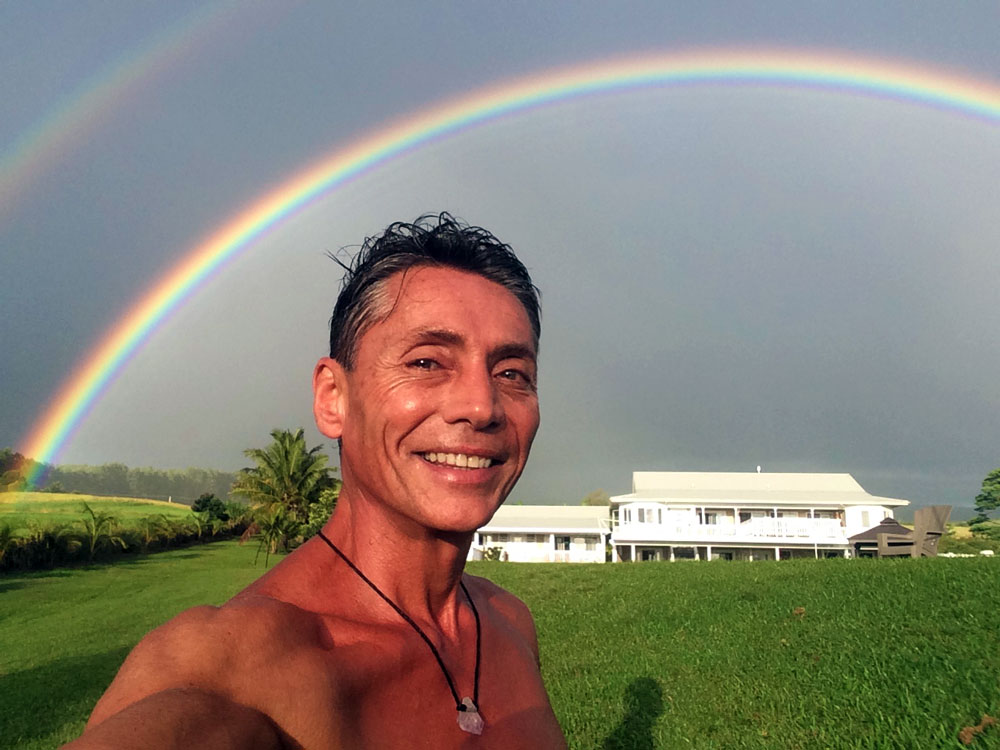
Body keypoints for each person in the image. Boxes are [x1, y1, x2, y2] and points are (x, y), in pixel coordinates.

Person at [65, 213, 568, 749]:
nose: (480, 405)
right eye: (426, 362)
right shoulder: (231, 670)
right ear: (333, 398)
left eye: (512, 372)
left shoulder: (508, 623)